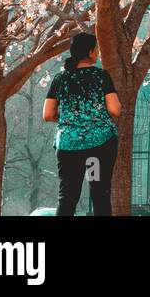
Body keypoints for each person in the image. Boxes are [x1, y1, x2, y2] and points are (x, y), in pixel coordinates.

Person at [43, 32, 121, 216]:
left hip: (69, 147)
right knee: (99, 193)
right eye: (97, 50)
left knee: (68, 196)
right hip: (99, 146)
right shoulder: (101, 76)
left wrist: (69, 118)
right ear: (91, 52)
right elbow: (115, 109)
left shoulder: (60, 78)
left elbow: (47, 114)